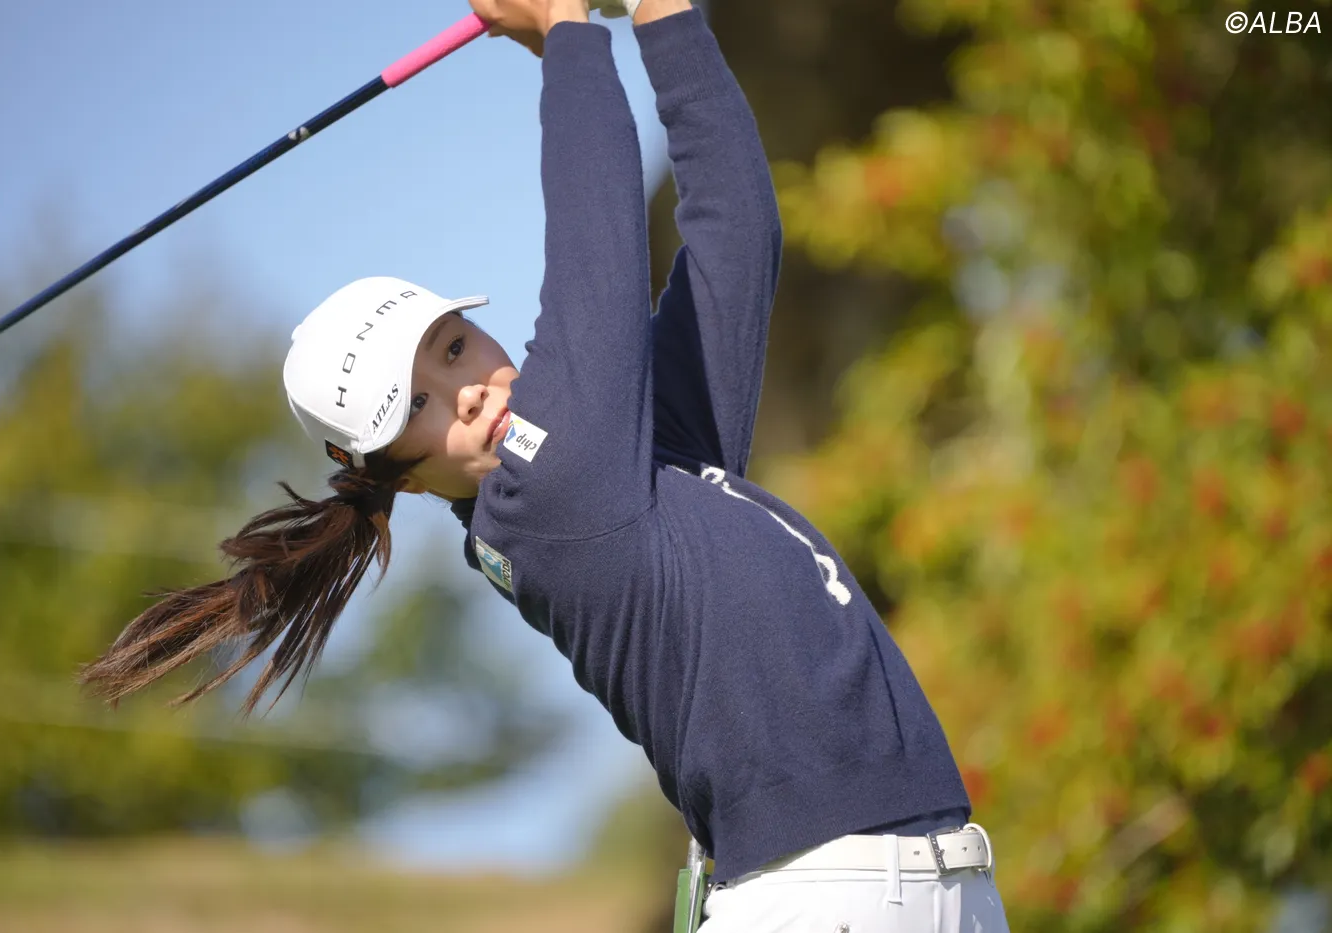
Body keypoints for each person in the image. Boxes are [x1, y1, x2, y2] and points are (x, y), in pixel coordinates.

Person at [82, 1, 1011, 929]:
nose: (466, 392)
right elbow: (596, 245)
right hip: (829, 898)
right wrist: (567, 30)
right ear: (395, 472)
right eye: (416, 407)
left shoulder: (646, 464)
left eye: (454, 347)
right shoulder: (548, 498)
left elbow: (735, 229)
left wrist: (661, 14)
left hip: (929, 885)